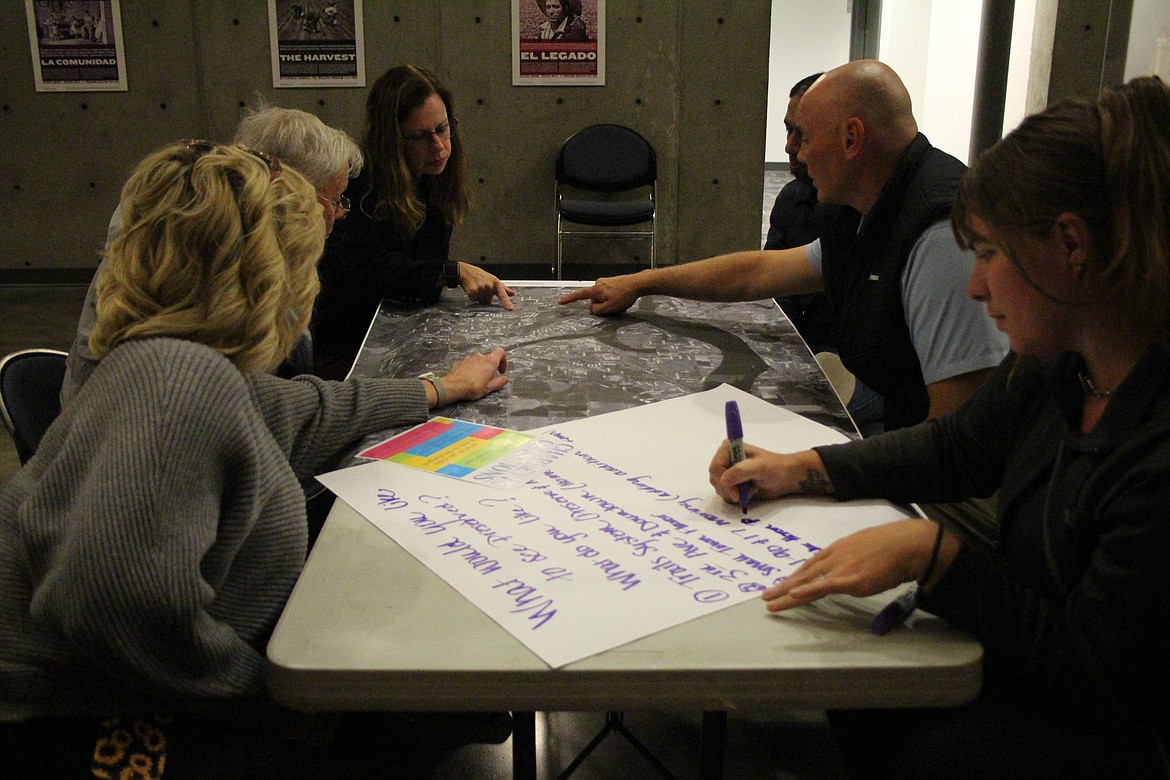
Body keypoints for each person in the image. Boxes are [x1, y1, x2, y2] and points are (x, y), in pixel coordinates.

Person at [0, 141, 510, 777]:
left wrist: (440, 388)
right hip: (87, 722)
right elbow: (110, 602)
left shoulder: (192, 366)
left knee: (430, 715)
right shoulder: (172, 379)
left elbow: (305, 412)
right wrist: (287, 700)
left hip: (136, 691)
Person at [709, 76, 1170, 778]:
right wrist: (806, 467)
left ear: (1071, 247)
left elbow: (1094, 672)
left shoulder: (1155, 446)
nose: (976, 286)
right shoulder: (1060, 362)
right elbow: (956, 449)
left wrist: (938, 556)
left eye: (989, 254)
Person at [561, 60, 1008, 433]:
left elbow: (959, 443)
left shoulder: (941, 237)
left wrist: (814, 471)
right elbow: (759, 272)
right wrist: (642, 282)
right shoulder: (864, 205)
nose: (797, 153)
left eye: (806, 137)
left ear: (852, 138)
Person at [62, 104, 363, 403]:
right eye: (333, 200)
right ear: (288, 188)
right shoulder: (211, 247)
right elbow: (263, 406)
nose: (338, 214)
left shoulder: (181, 218)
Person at [314, 64, 516, 380]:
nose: (438, 146)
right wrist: (451, 271)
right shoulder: (356, 183)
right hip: (349, 349)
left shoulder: (433, 176)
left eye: (443, 128)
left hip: (404, 332)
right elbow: (371, 270)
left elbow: (423, 269)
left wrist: (440, 274)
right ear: (391, 140)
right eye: (420, 136)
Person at [766, 71, 834, 354]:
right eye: (788, 130)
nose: (790, 147)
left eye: (803, 136)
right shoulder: (792, 198)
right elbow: (765, 278)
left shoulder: (874, 215)